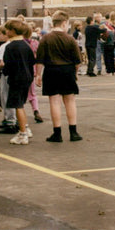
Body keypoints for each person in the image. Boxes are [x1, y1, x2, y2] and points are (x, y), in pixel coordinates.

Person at [35, 10, 84, 143]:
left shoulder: (45, 38)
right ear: (64, 23)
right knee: (70, 100)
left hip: (51, 70)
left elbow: (39, 60)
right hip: (67, 70)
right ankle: (73, 132)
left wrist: (38, 75)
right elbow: (77, 62)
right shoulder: (70, 39)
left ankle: (57, 133)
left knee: (54, 101)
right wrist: (75, 73)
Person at [2, 19, 37, 145]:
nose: (6, 31)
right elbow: (32, 61)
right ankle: (25, 128)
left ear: (12, 31)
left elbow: (8, 66)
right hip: (27, 78)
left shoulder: (10, 47)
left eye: (7, 29)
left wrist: (3, 69)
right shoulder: (26, 45)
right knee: (21, 103)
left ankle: (22, 134)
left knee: (18, 106)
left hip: (16, 78)